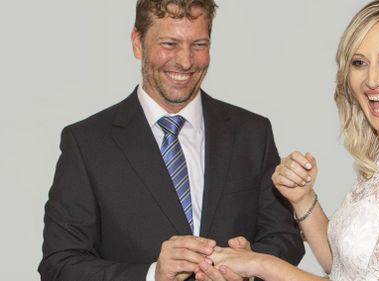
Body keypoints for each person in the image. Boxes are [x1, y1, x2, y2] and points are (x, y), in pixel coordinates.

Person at [196, 1, 379, 280]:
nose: (372, 79)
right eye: (359, 63)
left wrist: (263, 265)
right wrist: (303, 199)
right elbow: (342, 268)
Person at [38, 1, 305, 280]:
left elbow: (285, 236)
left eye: (199, 45)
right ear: (137, 43)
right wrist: (153, 275)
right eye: (169, 44)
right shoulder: (86, 143)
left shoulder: (253, 132)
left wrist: (252, 265)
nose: (186, 61)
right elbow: (59, 265)